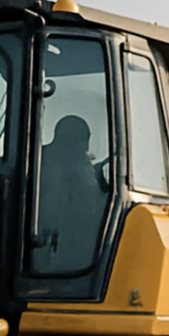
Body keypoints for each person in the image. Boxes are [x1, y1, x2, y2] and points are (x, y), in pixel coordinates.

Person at [36, 115, 107, 272]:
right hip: (45, 244)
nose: (86, 150)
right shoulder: (43, 163)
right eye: (82, 142)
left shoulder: (37, 158)